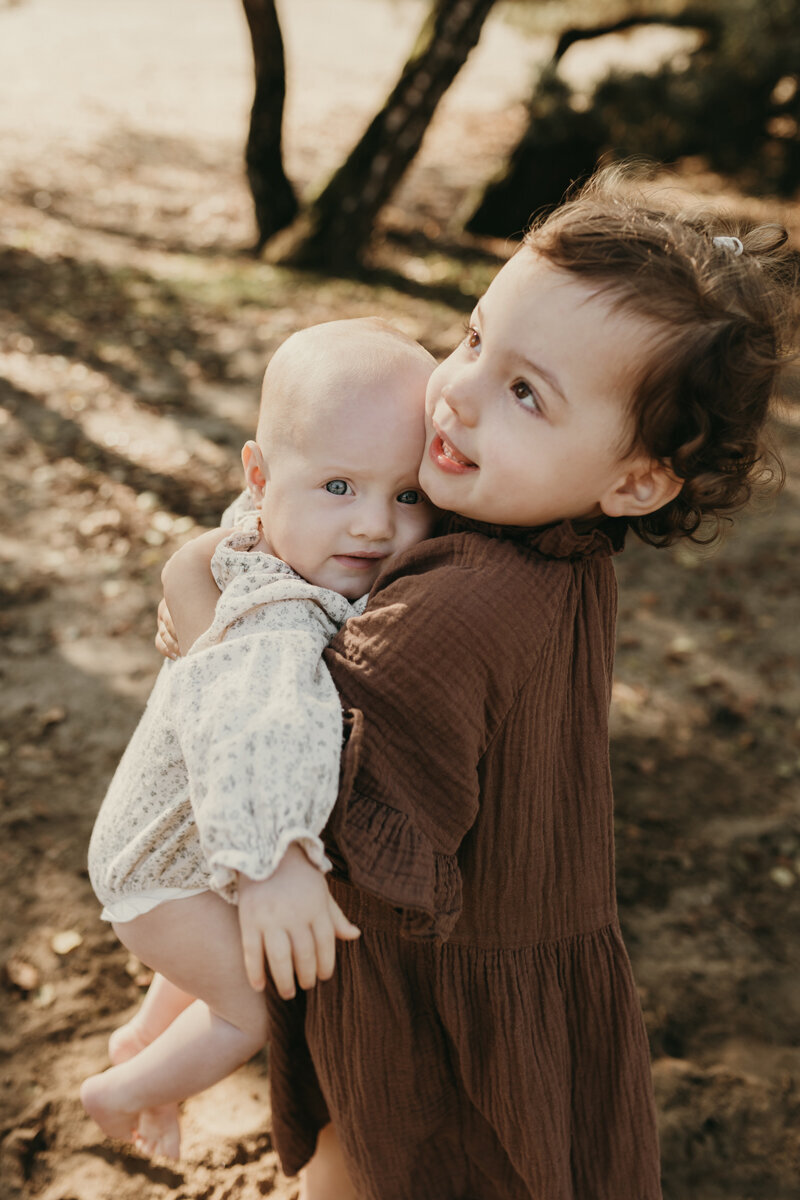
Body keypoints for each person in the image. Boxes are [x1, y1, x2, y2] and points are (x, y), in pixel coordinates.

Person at [161, 170, 796, 1200]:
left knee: (379, 1166)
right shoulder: (559, 539)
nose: (456, 390)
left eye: (523, 392)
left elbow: (295, 774)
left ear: (633, 479)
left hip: (433, 1009)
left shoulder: (457, 609)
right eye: (470, 338)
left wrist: (199, 601)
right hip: (526, 968)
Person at [79, 318, 437, 1160]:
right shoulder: (273, 614)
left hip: (184, 841)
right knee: (249, 1000)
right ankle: (122, 1093)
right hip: (159, 867)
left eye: (409, 494)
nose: (375, 527)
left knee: (218, 940)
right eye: (340, 487)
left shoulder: (273, 528)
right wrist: (278, 863)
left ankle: (137, 1041)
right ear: (261, 476)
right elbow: (259, 728)